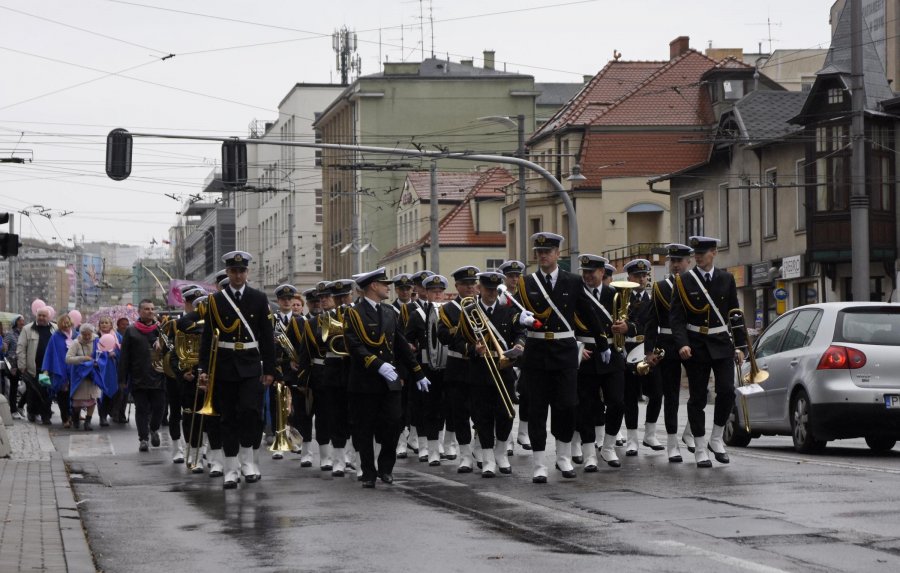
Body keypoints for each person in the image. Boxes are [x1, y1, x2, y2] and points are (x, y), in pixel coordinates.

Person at [516, 232, 612, 483]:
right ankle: (538, 463)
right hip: (537, 353)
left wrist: (602, 341)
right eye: (539, 252)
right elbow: (513, 313)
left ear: (558, 254)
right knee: (537, 408)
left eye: (548, 251)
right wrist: (520, 320)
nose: (543, 256)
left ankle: (563, 457)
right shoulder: (527, 283)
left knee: (567, 405)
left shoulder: (572, 281)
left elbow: (587, 312)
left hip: (565, 352)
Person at [342, 267, 429, 488]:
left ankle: (386, 467)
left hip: (389, 382)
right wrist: (378, 365)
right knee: (365, 428)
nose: (387, 288)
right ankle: (369, 472)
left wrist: (417, 372)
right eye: (384, 284)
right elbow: (355, 346)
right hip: (365, 381)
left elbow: (401, 345)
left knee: (394, 422)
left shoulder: (391, 312)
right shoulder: (353, 313)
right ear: (373, 286)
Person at [198, 251, 276, 489]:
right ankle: (231, 468)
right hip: (225, 365)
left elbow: (267, 336)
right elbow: (208, 337)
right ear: (228, 273)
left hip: (251, 364)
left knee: (251, 413)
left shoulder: (259, 298)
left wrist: (270, 368)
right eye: (233, 271)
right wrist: (203, 368)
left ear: (247, 273)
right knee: (228, 416)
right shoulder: (215, 301)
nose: (238, 275)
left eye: (242, 271)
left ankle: (248, 462)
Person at [669, 236, 746, 468]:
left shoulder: (726, 278)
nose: (698, 257)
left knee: (726, 391)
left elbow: (734, 313)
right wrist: (682, 343)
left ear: (714, 252)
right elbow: (677, 317)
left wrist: (741, 346)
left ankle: (716, 438)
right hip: (696, 344)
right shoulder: (684, 281)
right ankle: (700, 446)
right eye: (696, 253)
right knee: (698, 397)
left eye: (703, 252)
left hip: (722, 342)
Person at [460, 271, 525, 477]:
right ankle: (487, 459)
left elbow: (520, 331)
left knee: (506, 413)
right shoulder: (469, 311)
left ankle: (501, 452)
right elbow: (458, 340)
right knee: (482, 416)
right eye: (487, 289)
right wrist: (473, 350)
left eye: (494, 290)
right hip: (479, 372)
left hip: (504, 370)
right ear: (479, 288)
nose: (491, 294)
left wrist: (519, 344)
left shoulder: (508, 310)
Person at [573, 254, 625, 471]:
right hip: (587, 353)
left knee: (617, 402)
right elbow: (566, 325)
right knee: (586, 406)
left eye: (591, 273)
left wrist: (625, 328)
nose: (587, 277)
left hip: (611, 353)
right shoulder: (576, 295)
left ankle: (609, 446)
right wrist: (577, 347)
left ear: (602, 273)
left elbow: (626, 321)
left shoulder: (615, 294)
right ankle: (588, 453)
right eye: (584, 273)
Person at [643, 243, 693, 462]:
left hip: (692, 342)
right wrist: (648, 350)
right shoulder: (660, 287)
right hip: (667, 343)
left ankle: (690, 433)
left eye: (679, 261)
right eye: (672, 261)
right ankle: (672, 443)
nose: (675, 265)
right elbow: (651, 320)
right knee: (671, 395)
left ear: (688, 262)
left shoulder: (696, 285)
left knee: (698, 393)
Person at [438, 266, 481, 473]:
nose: (470, 287)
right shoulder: (448, 309)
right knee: (460, 413)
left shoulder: (483, 305)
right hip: (458, 366)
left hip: (480, 365)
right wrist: (464, 338)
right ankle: (464, 455)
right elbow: (443, 336)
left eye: (473, 284)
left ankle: (481, 449)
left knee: (481, 411)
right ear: (457, 286)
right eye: (466, 284)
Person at [621, 259, 664, 456]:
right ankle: (631, 439)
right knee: (630, 396)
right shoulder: (622, 299)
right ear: (628, 277)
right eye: (636, 275)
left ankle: (650, 433)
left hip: (648, 349)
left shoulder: (653, 298)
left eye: (644, 275)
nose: (640, 279)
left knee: (656, 393)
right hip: (628, 348)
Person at [119, 299, 167, 452]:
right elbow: (124, 356)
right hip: (138, 376)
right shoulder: (131, 330)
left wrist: (163, 346)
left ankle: (153, 429)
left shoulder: (161, 329)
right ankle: (143, 439)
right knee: (141, 409)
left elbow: (171, 351)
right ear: (139, 312)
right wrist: (122, 378)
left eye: (152, 309)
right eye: (146, 309)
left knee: (159, 407)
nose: (150, 311)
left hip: (158, 376)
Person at [498, 260, 529, 453]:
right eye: (511, 276)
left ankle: (523, 432)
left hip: (524, 347)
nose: (515, 280)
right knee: (506, 395)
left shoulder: (524, 295)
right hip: (505, 348)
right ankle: (506, 437)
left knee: (527, 392)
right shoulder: (501, 297)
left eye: (517, 276)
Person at [17, 307, 57, 424]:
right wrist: (22, 365)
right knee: (32, 392)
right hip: (33, 368)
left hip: (47, 369)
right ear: (36, 316)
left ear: (49, 317)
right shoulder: (27, 329)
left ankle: (46, 415)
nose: (41, 318)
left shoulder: (54, 329)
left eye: (44, 316)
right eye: (40, 315)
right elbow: (21, 348)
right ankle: (32, 412)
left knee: (46, 392)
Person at [65, 323, 103, 431]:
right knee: (77, 402)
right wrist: (83, 358)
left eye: (88, 334)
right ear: (81, 334)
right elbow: (68, 359)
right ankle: (75, 417)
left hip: (92, 376)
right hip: (79, 376)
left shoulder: (97, 342)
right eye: (84, 334)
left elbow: (102, 356)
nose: (87, 337)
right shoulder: (76, 343)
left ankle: (88, 422)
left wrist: (97, 362)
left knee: (92, 400)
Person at [43, 313, 75, 428]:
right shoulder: (55, 337)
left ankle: (72, 415)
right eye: (64, 323)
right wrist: (46, 369)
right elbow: (50, 354)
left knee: (73, 395)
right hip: (61, 370)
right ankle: (65, 417)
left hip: (74, 371)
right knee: (63, 395)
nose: (66, 325)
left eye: (68, 323)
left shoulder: (75, 335)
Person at [96, 316, 122, 427]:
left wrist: (115, 354)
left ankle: (113, 412)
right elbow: (95, 352)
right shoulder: (96, 337)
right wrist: (106, 354)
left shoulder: (118, 337)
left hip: (114, 369)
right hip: (101, 370)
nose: (104, 324)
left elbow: (123, 350)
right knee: (102, 394)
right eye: (102, 322)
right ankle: (102, 416)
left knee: (115, 392)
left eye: (106, 322)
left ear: (111, 325)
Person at [3, 315, 25, 419]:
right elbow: (4, 349)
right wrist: (5, 349)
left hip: (23, 364)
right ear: (15, 322)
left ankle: (20, 406)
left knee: (29, 386)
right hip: (13, 365)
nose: (22, 323)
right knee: (13, 387)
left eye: (23, 321)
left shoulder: (23, 334)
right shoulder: (10, 334)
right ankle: (13, 410)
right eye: (20, 321)